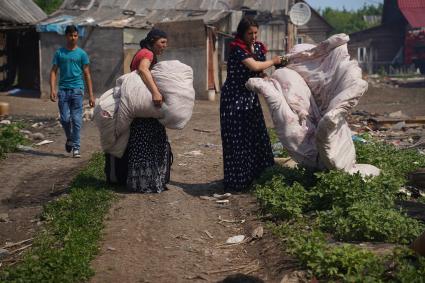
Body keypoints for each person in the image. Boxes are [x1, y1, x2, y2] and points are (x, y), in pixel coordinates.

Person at [220, 17, 285, 191]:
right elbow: (254, 66)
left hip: (249, 98)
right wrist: (273, 62)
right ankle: (238, 181)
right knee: (238, 138)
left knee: (256, 135)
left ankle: (258, 177)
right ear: (242, 33)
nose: (254, 36)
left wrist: (266, 77)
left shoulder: (257, 47)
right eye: (250, 33)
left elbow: (259, 71)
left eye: (256, 32)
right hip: (234, 98)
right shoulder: (237, 48)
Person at [127, 28, 171, 193]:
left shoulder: (142, 51)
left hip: (139, 108)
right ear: (153, 41)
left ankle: (140, 183)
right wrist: (155, 92)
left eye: (166, 43)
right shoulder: (148, 54)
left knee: (141, 143)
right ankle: (150, 183)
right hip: (146, 107)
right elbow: (143, 70)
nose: (164, 46)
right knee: (152, 142)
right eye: (162, 42)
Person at [50, 25, 95, 158]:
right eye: (71, 35)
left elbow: (87, 74)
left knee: (76, 120)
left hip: (77, 90)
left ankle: (76, 148)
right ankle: (70, 138)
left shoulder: (82, 54)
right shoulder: (60, 53)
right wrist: (52, 89)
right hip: (63, 90)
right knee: (64, 119)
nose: (73, 38)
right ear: (66, 36)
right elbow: (53, 71)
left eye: (75, 35)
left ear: (77, 36)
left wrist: (91, 96)